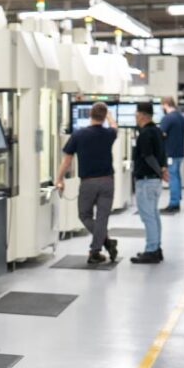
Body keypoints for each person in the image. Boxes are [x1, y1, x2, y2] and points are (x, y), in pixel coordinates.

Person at [56, 101, 119, 264]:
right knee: (102, 218)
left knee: (84, 215)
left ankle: (101, 246)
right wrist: (110, 117)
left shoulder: (78, 134)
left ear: (90, 115)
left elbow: (67, 161)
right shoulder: (109, 134)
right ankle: (99, 248)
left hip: (88, 183)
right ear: (104, 117)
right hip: (107, 182)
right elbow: (115, 127)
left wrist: (59, 179)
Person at [131, 102, 169, 264]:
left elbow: (148, 156)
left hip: (146, 181)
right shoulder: (157, 131)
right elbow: (161, 154)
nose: (135, 116)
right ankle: (156, 248)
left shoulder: (146, 133)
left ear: (142, 115)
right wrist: (163, 170)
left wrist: (160, 172)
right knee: (153, 215)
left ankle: (151, 250)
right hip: (154, 181)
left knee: (148, 217)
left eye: (136, 113)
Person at [159, 97, 184, 213]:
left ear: (165, 104)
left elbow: (160, 134)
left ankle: (174, 203)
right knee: (177, 175)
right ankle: (177, 198)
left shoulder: (167, 118)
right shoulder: (181, 117)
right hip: (180, 152)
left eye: (162, 105)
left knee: (172, 177)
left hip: (171, 153)